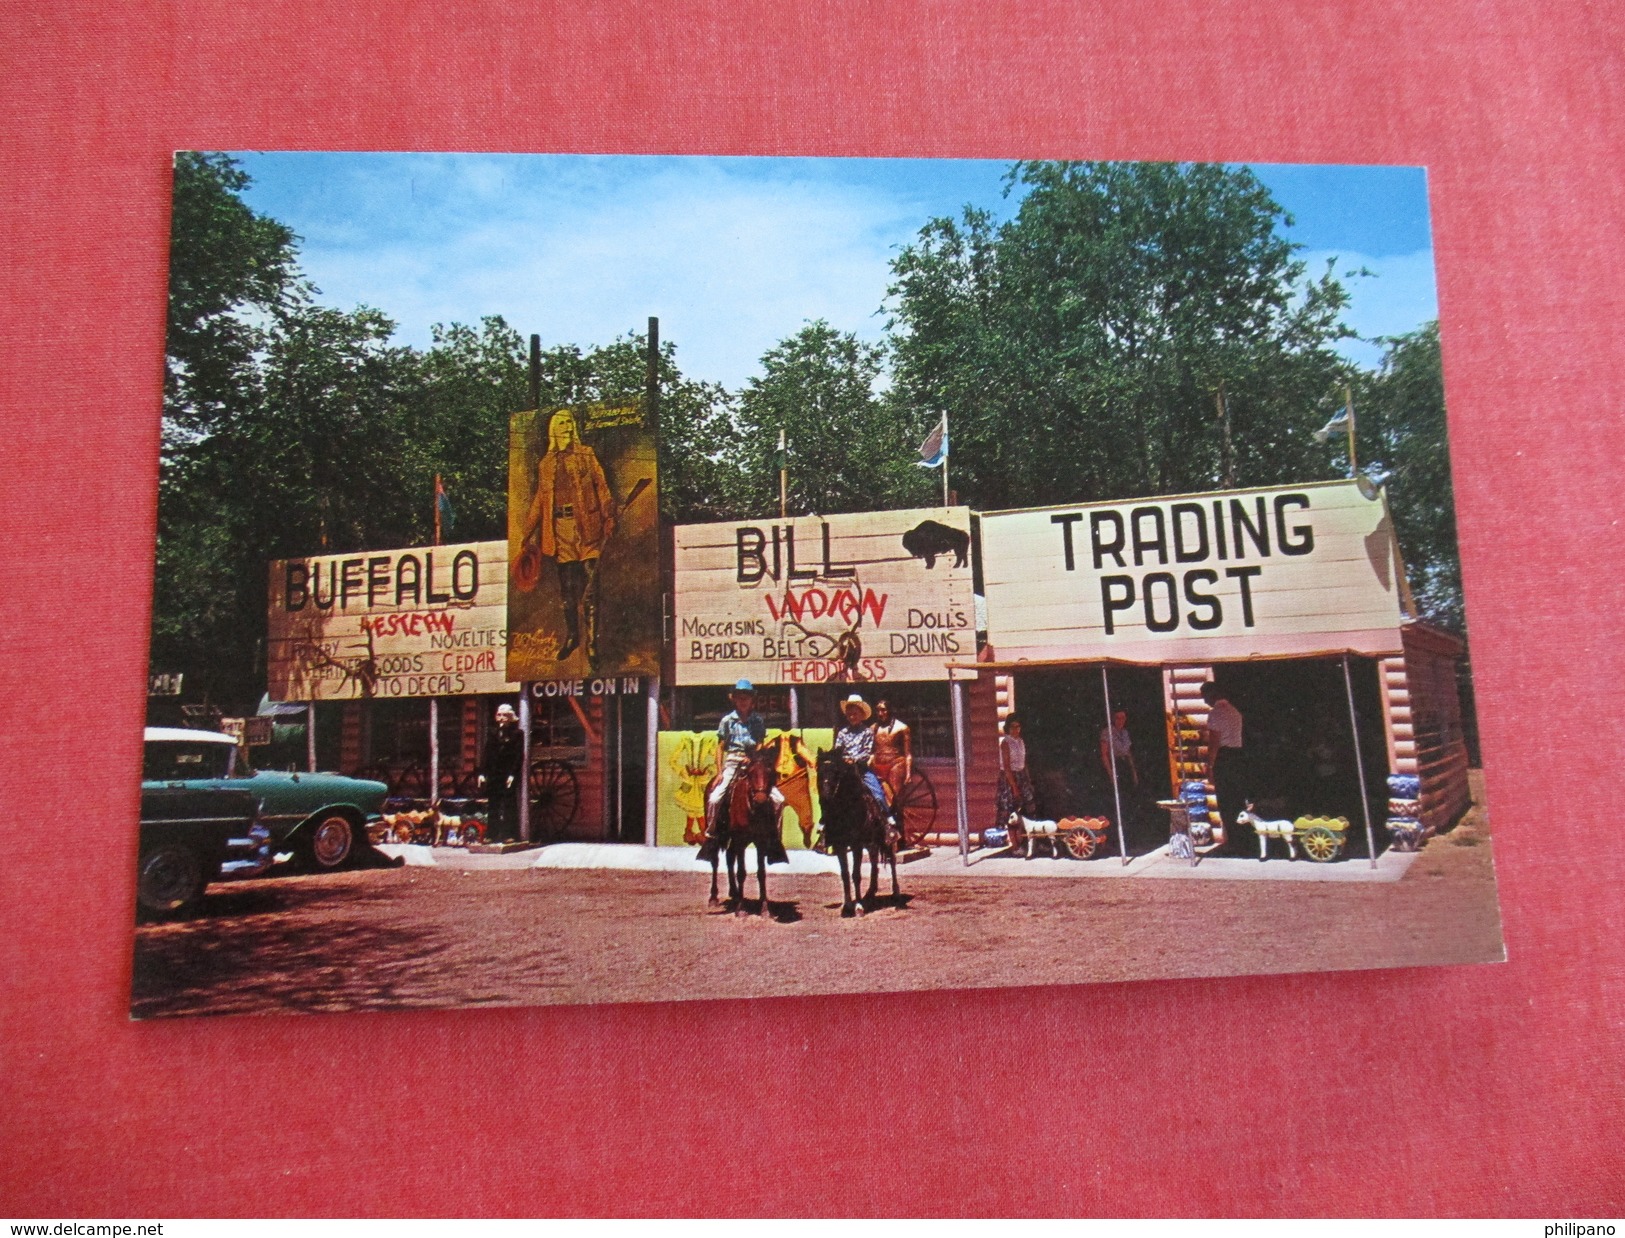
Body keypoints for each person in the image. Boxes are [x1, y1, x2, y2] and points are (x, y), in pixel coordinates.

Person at [523, 409, 615, 664]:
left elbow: (602, 486)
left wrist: (609, 517)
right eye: (560, 422)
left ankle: (592, 645)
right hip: (559, 530)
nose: (565, 425)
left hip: (587, 526)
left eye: (568, 422)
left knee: (590, 586)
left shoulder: (585, 454)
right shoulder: (546, 463)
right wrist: (527, 533)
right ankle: (573, 636)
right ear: (552, 429)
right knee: (567, 589)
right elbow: (540, 500)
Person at [703, 680, 785, 848]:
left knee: (779, 799)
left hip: (753, 763)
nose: (743, 700)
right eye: (740, 697)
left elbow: (760, 743)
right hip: (733, 760)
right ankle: (711, 834)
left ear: (751, 699)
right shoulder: (727, 720)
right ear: (734, 699)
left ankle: (775, 837)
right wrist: (720, 772)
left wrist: (755, 757)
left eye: (746, 697)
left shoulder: (758, 720)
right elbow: (720, 747)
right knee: (714, 798)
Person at [1201, 681, 1247, 855]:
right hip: (1237, 755)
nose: (1204, 701)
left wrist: (1210, 765)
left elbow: (1214, 743)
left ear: (1212, 695)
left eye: (1205, 697)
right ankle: (1243, 840)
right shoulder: (1235, 711)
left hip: (1224, 756)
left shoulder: (1216, 713)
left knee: (1226, 800)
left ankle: (1233, 843)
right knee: (1237, 798)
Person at [833, 694, 891, 824]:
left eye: (855, 714)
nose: (852, 717)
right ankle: (825, 826)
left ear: (861, 714)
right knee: (829, 793)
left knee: (878, 796)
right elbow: (837, 750)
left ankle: (889, 822)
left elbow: (867, 752)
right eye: (849, 714)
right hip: (844, 771)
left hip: (862, 770)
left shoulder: (867, 732)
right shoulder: (842, 733)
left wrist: (854, 760)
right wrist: (843, 760)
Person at [479, 703, 524, 843]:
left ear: (511, 717)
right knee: (493, 803)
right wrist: (482, 772)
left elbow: (518, 755)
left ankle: (510, 834)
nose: (502, 718)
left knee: (508, 804)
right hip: (493, 773)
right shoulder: (492, 733)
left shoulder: (517, 734)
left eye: (505, 715)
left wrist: (512, 774)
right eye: (499, 715)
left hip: (507, 774)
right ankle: (491, 834)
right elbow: (486, 753)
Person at [995, 713, 1037, 828]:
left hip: (1021, 775)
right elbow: (1007, 767)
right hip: (1009, 778)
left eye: (1018, 726)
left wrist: (1028, 780)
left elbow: (1023, 763)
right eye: (1012, 726)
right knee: (1007, 808)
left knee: (1029, 805)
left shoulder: (1020, 741)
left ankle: (1028, 839)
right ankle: (1004, 838)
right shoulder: (1006, 743)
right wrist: (1014, 787)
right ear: (1008, 727)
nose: (1015, 729)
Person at [871, 698, 913, 799]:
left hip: (895, 764)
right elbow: (871, 751)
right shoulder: (873, 728)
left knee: (892, 797)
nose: (880, 713)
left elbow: (908, 753)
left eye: (883, 710)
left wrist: (908, 773)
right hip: (877, 765)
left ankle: (892, 812)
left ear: (889, 710)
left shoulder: (902, 728)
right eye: (878, 710)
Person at [1100, 709, 1139, 791]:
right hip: (1114, 764)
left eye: (1123, 718)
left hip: (1125, 765)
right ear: (1114, 719)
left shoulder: (1125, 732)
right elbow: (1104, 754)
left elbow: (1128, 752)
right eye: (1118, 718)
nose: (1121, 721)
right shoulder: (1107, 732)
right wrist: (1111, 774)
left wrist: (1134, 772)